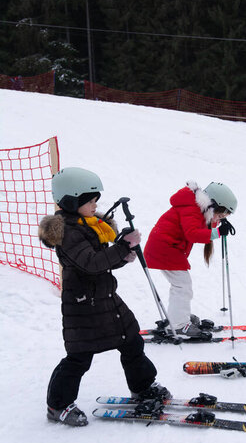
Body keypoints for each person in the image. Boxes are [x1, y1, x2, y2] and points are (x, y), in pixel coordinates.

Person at [39, 167, 170, 427]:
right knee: (79, 357)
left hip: (106, 298)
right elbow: (90, 263)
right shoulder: (68, 232)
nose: (94, 205)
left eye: (95, 200)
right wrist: (121, 248)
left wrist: (122, 255)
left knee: (131, 341)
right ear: (70, 201)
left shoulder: (88, 226)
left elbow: (101, 262)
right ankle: (58, 405)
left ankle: (142, 387)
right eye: (89, 201)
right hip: (83, 306)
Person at [143, 180, 237, 338]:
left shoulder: (197, 206)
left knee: (181, 285)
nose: (219, 219)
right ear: (213, 204)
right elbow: (192, 233)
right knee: (182, 286)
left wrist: (216, 224)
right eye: (220, 215)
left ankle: (180, 316)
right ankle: (179, 324)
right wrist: (218, 233)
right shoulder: (192, 208)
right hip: (165, 249)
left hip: (169, 248)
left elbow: (202, 226)